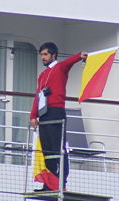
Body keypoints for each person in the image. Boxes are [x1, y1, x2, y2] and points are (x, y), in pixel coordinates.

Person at [30, 42, 87, 191]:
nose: (43, 57)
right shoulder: (42, 75)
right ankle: (49, 184)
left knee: (58, 149)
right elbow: (38, 96)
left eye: (45, 54)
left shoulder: (60, 67)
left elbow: (68, 63)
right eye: (41, 54)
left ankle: (62, 183)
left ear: (53, 55)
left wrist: (79, 56)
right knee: (47, 150)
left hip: (56, 111)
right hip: (44, 113)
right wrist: (33, 116)